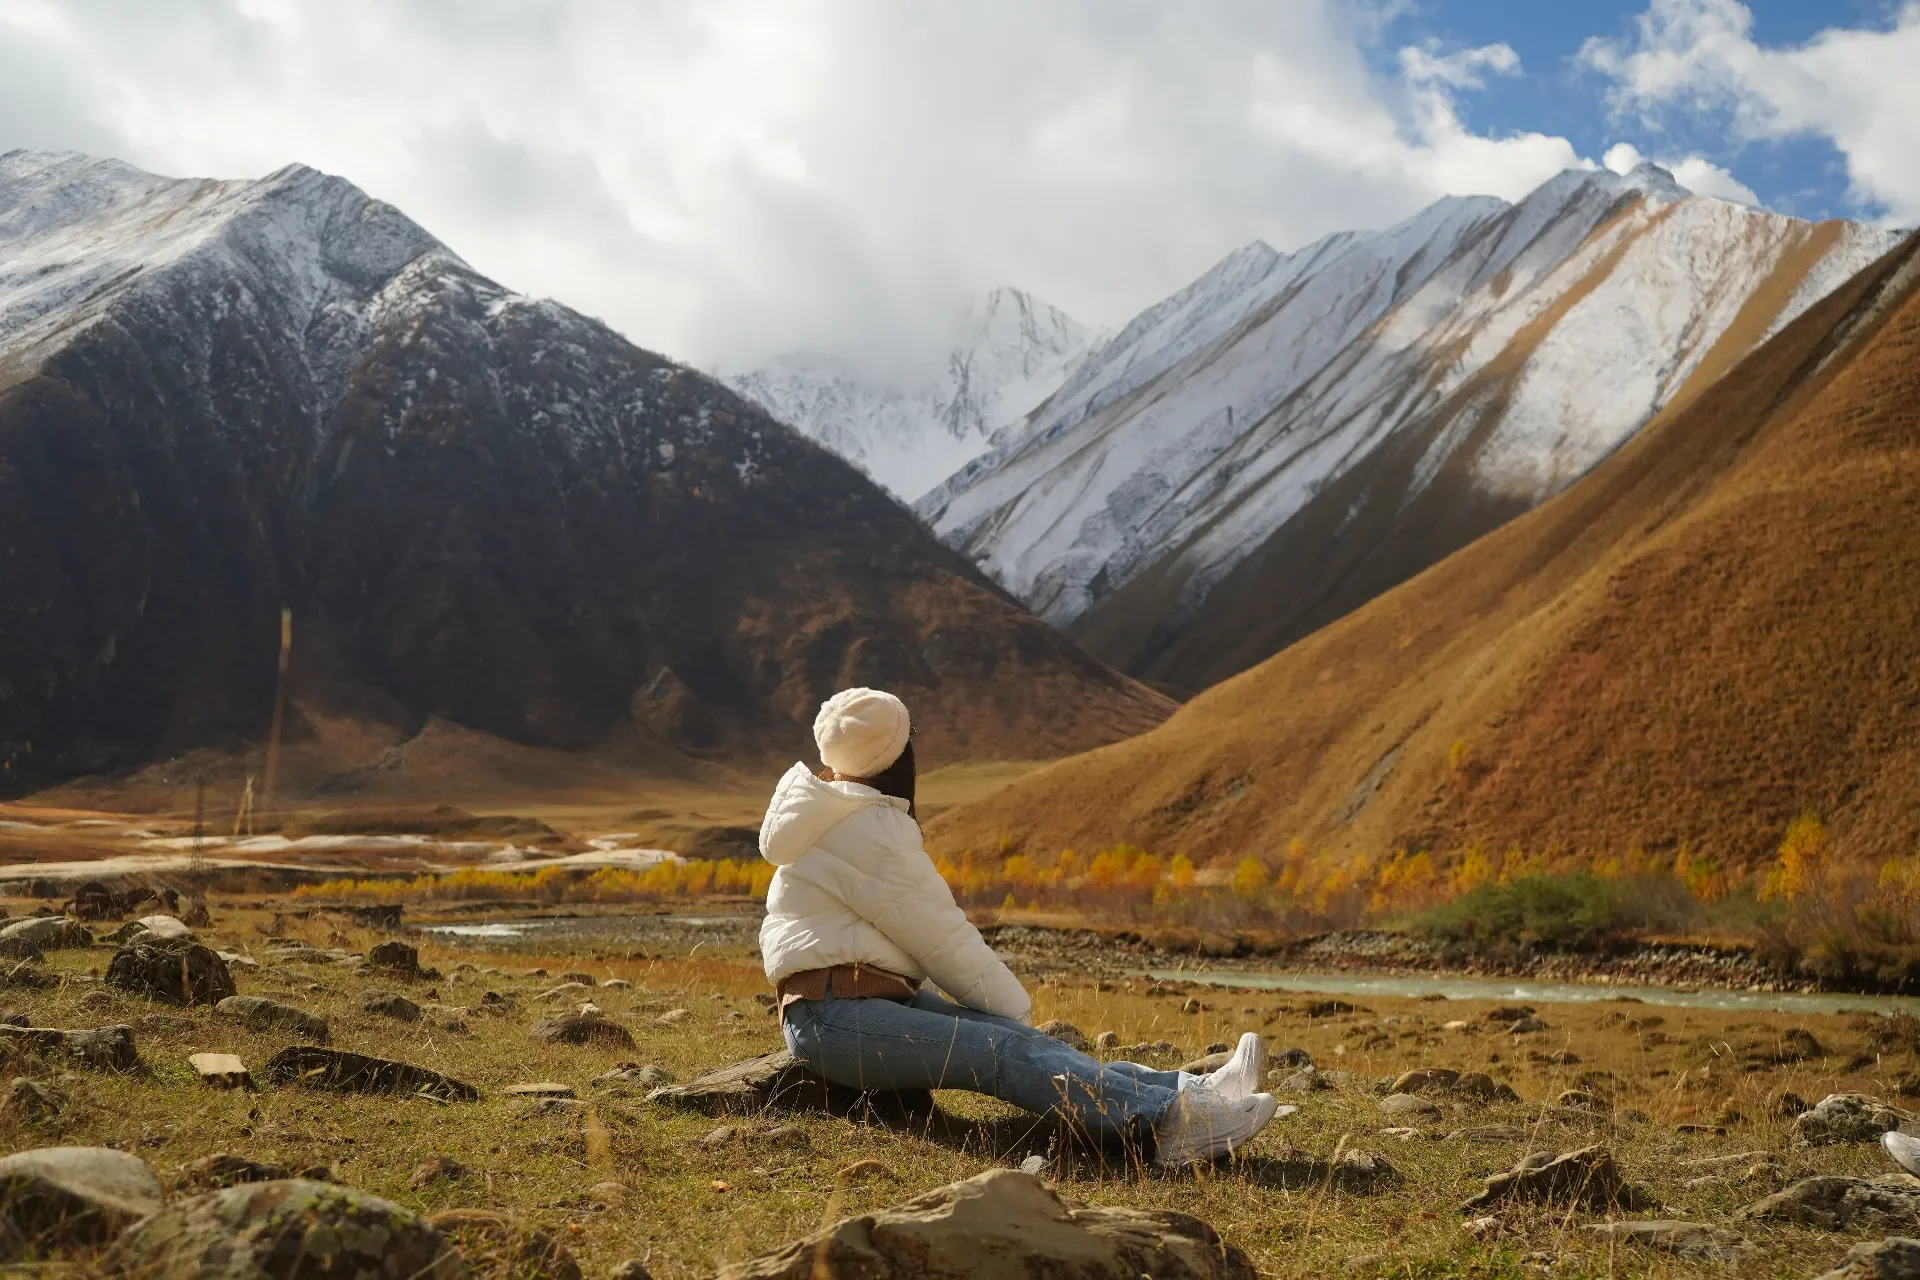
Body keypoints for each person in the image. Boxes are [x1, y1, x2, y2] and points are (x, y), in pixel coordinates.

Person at [758, 686, 1284, 1167]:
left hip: (857, 1004)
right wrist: (1012, 1010)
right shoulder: (867, 829)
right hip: (835, 1017)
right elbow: (942, 936)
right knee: (1006, 1048)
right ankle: (1174, 1126)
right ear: (896, 757)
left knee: (1014, 1043)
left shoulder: (834, 816)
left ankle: (1194, 1092)